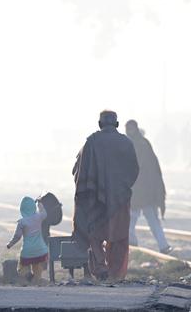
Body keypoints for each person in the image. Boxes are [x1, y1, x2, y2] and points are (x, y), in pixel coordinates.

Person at [72, 110, 139, 281]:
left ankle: (100, 268)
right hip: (120, 199)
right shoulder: (126, 143)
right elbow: (134, 170)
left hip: (95, 201)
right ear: (116, 124)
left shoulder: (91, 142)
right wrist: (122, 187)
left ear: (100, 124)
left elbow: (79, 169)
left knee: (94, 235)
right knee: (119, 236)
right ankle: (116, 273)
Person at [125, 120, 172, 254]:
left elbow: (152, 169)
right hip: (137, 193)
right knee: (132, 221)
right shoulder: (137, 144)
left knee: (150, 221)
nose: (130, 132)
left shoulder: (139, 145)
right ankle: (134, 245)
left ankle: (163, 246)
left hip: (142, 193)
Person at [6, 196, 48, 283]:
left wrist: (10, 244)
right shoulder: (38, 217)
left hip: (27, 252)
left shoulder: (22, 222)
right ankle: (37, 281)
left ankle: (28, 278)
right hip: (40, 250)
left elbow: (17, 237)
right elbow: (44, 213)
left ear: (22, 209)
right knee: (37, 268)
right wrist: (40, 204)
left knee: (22, 269)